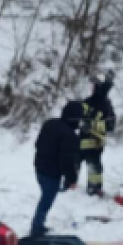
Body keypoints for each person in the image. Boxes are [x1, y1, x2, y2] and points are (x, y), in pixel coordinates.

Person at [30, 101, 83, 237]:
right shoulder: (69, 135)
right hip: (51, 173)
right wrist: (72, 179)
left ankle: (38, 225)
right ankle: (36, 228)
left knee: (46, 196)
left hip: (39, 167)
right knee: (46, 200)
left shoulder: (50, 123)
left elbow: (37, 144)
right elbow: (67, 160)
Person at [80, 70, 116, 196]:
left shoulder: (106, 106)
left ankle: (94, 189)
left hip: (94, 143)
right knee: (72, 163)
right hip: (80, 140)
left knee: (94, 167)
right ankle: (69, 185)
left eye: (95, 86)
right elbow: (77, 115)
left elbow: (110, 125)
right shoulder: (87, 102)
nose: (92, 88)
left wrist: (92, 125)